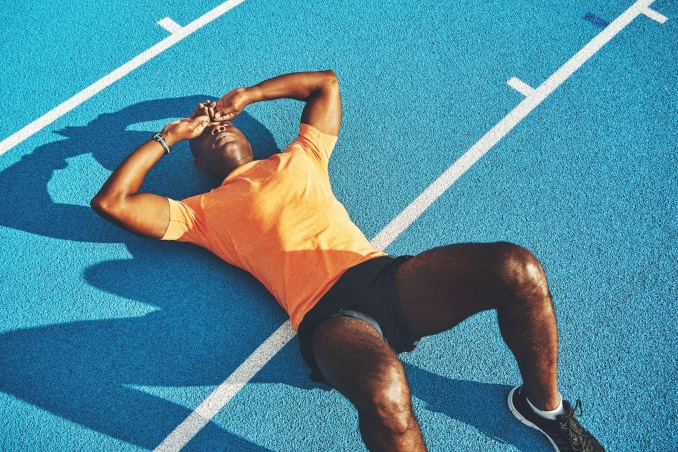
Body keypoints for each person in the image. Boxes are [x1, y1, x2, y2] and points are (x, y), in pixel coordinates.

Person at [91, 70, 604, 451]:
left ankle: (544, 408)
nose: (218, 130)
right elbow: (113, 202)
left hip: (382, 276)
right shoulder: (198, 213)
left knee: (518, 269)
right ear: (198, 164)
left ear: (248, 132)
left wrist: (247, 95)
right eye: (205, 138)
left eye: (224, 124)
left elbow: (325, 85)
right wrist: (171, 135)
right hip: (329, 317)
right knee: (386, 392)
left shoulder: (300, 156)